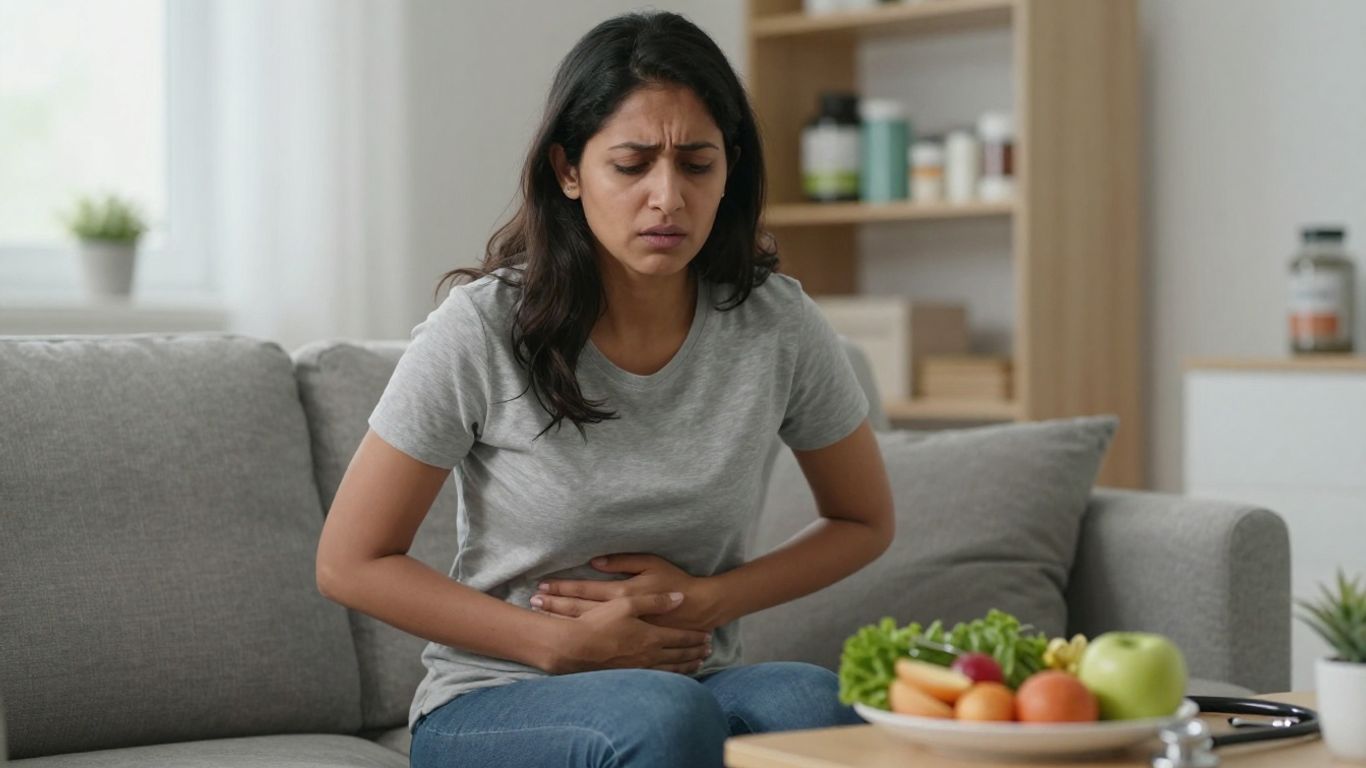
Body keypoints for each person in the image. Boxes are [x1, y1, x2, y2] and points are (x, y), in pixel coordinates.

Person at [316, 10, 894, 768]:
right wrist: (556, 642)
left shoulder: (775, 324)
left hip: (693, 680)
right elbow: (348, 561)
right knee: (663, 718)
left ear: (731, 170)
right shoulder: (483, 327)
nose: (668, 197)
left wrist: (710, 600)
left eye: (697, 164)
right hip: (497, 696)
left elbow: (864, 519)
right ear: (568, 170)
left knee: (817, 704)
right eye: (631, 165)